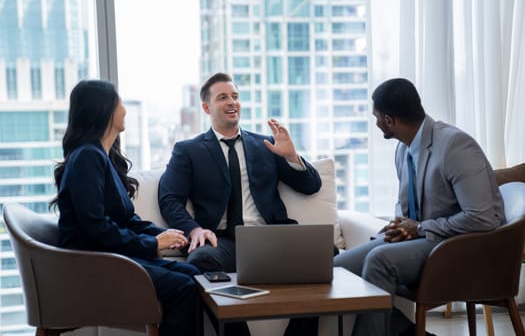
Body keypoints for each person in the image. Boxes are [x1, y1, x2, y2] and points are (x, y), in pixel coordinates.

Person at [334, 78, 505, 336]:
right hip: (425, 237)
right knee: (337, 269)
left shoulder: (455, 146)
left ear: (389, 120)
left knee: (379, 261)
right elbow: (406, 206)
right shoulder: (403, 151)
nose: (376, 122)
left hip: (460, 246)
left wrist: (422, 227)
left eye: (376, 116)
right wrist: (398, 225)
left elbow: (483, 218)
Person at [158, 72, 322, 336]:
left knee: (324, 256)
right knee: (199, 260)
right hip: (223, 241)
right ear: (206, 107)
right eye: (222, 97)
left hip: (271, 237)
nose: (232, 102)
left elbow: (311, 186)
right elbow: (169, 199)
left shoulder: (265, 145)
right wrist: (194, 229)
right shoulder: (188, 150)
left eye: (235, 96)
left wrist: (291, 155)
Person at [50, 80, 200, 336]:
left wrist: (166, 236)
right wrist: (153, 245)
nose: (124, 109)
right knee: (183, 287)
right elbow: (96, 228)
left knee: (193, 273)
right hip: (94, 267)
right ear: (104, 109)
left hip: (110, 259)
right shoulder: (87, 157)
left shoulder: (101, 157)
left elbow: (127, 221)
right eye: (119, 103)